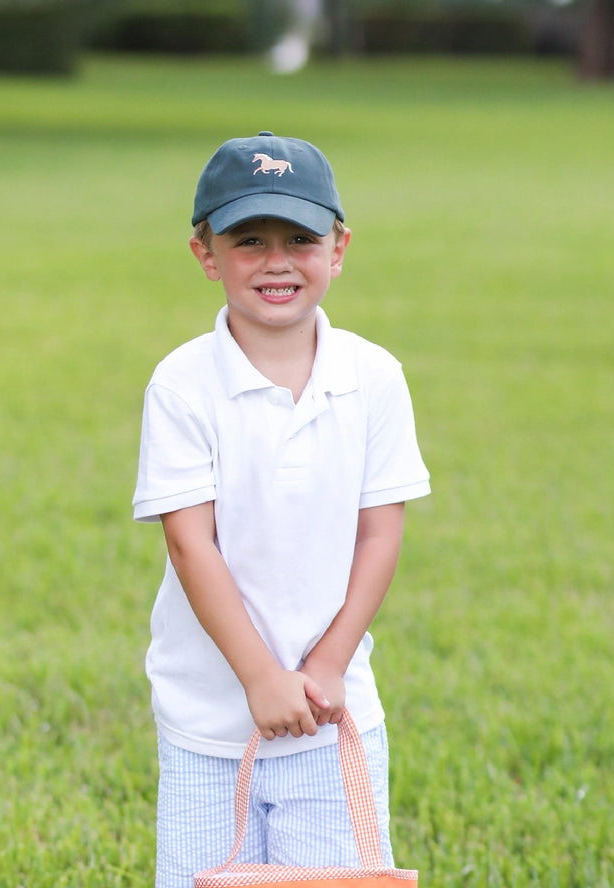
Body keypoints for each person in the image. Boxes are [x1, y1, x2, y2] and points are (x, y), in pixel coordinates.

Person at [132, 131, 430, 888]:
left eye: (300, 238)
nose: (276, 261)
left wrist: (325, 664)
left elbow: (379, 532)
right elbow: (190, 546)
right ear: (206, 253)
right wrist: (260, 678)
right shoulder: (181, 383)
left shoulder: (373, 377)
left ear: (338, 248)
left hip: (334, 717)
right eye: (249, 239)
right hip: (209, 720)